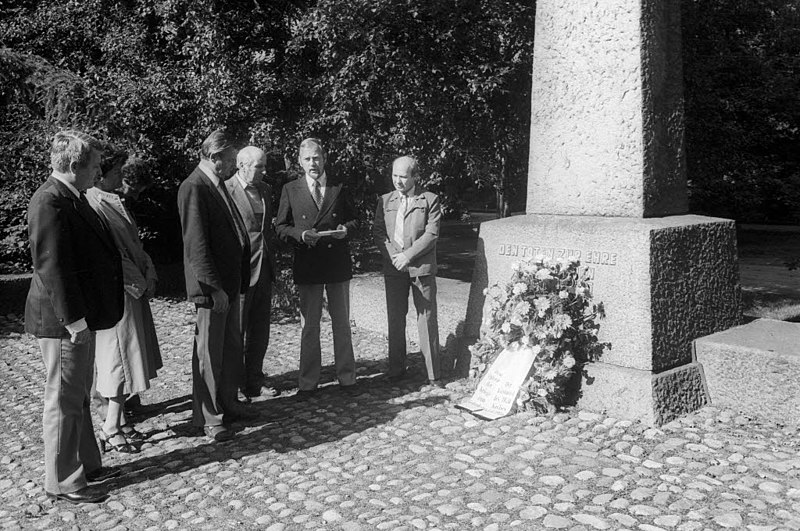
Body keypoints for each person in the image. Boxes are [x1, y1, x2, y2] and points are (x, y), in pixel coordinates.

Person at [25, 130, 124, 504]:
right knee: (63, 399)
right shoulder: (49, 202)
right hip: (63, 321)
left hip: (77, 317)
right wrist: (75, 322)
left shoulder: (72, 197)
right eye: (95, 166)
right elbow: (53, 268)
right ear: (73, 166)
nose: (99, 172)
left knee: (79, 395)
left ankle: (85, 463)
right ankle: (64, 481)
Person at [177, 129, 256, 443]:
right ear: (214, 157)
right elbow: (197, 246)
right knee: (209, 354)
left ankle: (228, 404)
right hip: (213, 290)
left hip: (229, 284)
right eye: (230, 160)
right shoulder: (193, 187)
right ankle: (210, 418)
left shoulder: (217, 184)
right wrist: (213, 289)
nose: (235, 166)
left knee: (229, 349)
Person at [86, 148, 162, 452]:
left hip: (130, 290)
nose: (121, 176)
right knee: (117, 360)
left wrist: (151, 271)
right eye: (116, 172)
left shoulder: (113, 200)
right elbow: (112, 254)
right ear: (100, 176)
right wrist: (139, 283)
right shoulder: (94, 204)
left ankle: (116, 422)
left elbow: (135, 244)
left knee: (125, 358)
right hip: (118, 293)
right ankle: (110, 426)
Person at [275, 138, 358, 394]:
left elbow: (355, 219)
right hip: (308, 264)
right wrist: (300, 235)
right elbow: (280, 227)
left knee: (342, 324)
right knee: (309, 326)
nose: (313, 163)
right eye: (308, 159)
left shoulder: (339, 187)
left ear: (324, 159)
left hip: (336, 264)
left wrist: (347, 230)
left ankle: (347, 378)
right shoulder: (291, 189)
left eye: (317, 158)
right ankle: (308, 382)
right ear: (300, 162)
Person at [373, 156, 443, 387]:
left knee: (426, 318)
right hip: (394, 268)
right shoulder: (385, 201)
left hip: (420, 268)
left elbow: (431, 234)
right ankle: (396, 370)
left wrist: (407, 256)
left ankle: (433, 374)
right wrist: (395, 257)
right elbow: (379, 233)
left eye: (403, 176)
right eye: (395, 175)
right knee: (395, 319)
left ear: (415, 176)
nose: (398, 181)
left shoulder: (429, 200)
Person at [225, 146, 277, 398]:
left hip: (264, 267)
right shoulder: (225, 190)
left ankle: (255, 379)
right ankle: (235, 384)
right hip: (240, 270)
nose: (264, 171)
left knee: (260, 328)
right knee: (237, 329)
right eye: (259, 166)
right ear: (242, 165)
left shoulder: (265, 190)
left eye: (264, 165)